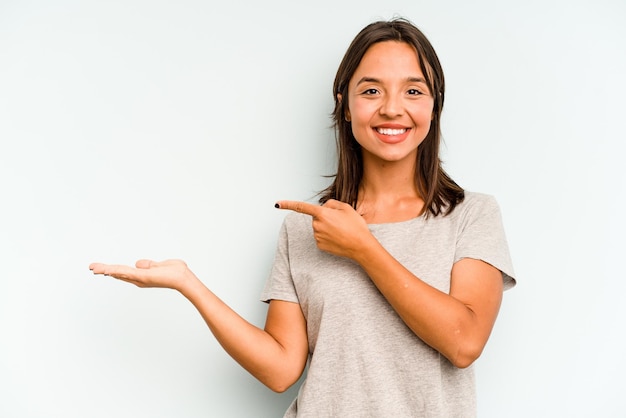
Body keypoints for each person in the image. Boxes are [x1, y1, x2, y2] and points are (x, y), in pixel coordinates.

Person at [90, 17, 516, 417]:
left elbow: (464, 342)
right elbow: (280, 369)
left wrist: (364, 248)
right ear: (345, 105)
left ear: (434, 104)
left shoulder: (472, 215)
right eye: (370, 91)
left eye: (413, 90)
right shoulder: (304, 227)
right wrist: (190, 284)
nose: (391, 108)